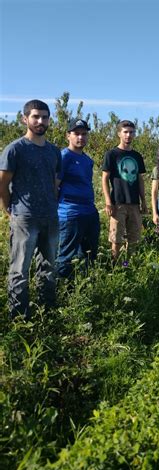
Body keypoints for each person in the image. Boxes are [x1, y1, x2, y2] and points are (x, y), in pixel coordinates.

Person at [0, 99, 61, 318]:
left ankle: (47, 313)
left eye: (44, 117)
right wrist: (9, 210)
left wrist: (52, 205)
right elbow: (2, 183)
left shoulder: (54, 151)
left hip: (50, 216)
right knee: (20, 270)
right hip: (24, 218)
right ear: (25, 118)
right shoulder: (15, 149)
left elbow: (54, 182)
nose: (40, 121)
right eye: (35, 116)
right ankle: (19, 319)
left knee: (48, 268)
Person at [56, 118, 100, 278]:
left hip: (89, 212)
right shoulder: (63, 157)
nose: (80, 137)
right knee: (65, 256)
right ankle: (62, 290)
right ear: (68, 135)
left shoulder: (87, 160)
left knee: (89, 254)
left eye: (84, 134)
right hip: (70, 214)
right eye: (76, 134)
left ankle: (84, 285)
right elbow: (55, 186)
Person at [102, 120, 147, 260]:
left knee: (133, 239)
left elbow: (140, 180)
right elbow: (104, 179)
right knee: (116, 239)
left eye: (131, 132)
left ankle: (128, 266)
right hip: (117, 203)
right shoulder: (111, 154)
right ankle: (116, 268)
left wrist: (143, 202)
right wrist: (108, 202)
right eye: (125, 132)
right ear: (119, 134)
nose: (128, 135)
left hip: (134, 203)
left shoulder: (137, 156)